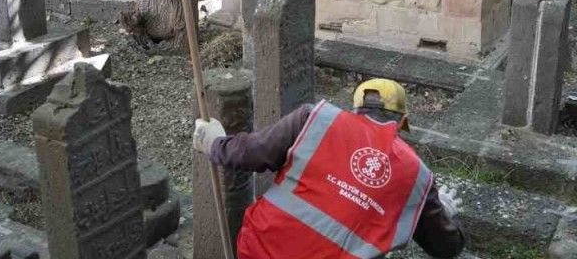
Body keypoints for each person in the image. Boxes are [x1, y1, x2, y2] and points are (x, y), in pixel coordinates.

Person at [193, 78, 465, 259]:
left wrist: (215, 142)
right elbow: (446, 247)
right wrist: (443, 213)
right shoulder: (417, 176)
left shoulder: (316, 118)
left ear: (356, 108)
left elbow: (249, 154)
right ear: (402, 121)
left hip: (261, 250)